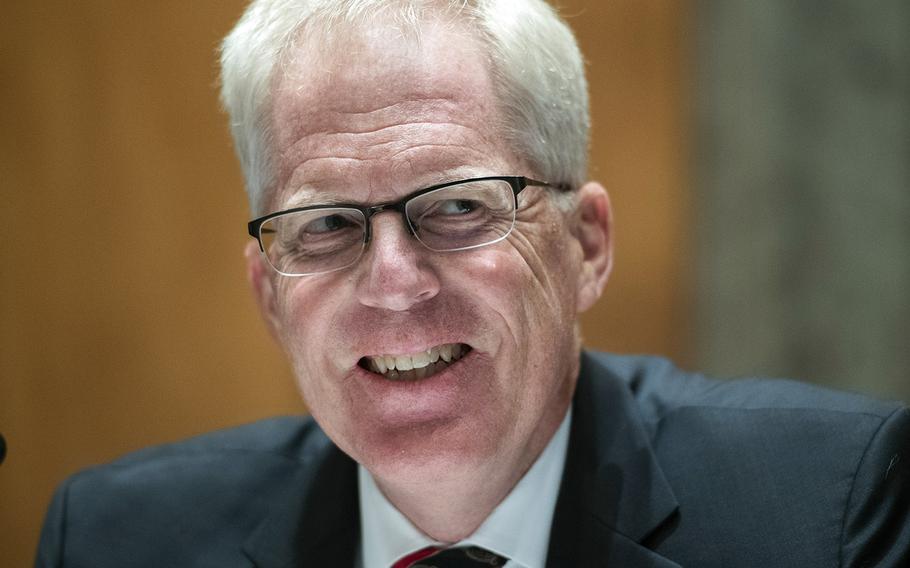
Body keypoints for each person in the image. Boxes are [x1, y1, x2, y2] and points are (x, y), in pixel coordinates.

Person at [36, 1, 908, 566]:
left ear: (586, 245)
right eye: (327, 224)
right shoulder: (116, 540)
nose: (392, 283)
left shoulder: (825, 515)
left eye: (456, 207)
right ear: (269, 293)